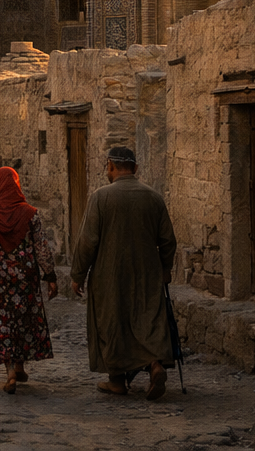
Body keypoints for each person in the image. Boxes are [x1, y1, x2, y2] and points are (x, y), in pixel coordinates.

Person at [71, 147, 179, 400]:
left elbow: (88, 241)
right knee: (148, 319)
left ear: (110, 166)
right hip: (147, 274)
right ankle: (154, 365)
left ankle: (117, 380)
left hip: (109, 276)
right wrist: (165, 269)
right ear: (136, 168)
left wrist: (78, 274)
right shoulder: (153, 197)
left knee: (112, 323)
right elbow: (168, 240)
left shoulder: (101, 197)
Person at [0, 166, 58, 394]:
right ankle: (19, 365)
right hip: (25, 278)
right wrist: (50, 276)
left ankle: (11, 371)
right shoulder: (30, 213)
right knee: (23, 319)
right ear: (16, 184)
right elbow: (41, 247)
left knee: (2, 321)